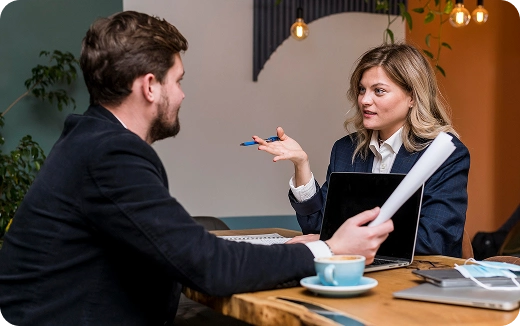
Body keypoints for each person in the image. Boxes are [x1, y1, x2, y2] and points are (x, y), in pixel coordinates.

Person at [0, 11, 394, 326]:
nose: (183, 94)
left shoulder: (90, 140)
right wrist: (330, 249)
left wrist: (295, 248)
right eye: (179, 80)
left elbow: (185, 248)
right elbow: (208, 267)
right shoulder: (111, 155)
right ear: (150, 86)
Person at [254, 43, 470, 258]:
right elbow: (317, 226)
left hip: (419, 280)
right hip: (360, 272)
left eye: (379, 91)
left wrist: (332, 241)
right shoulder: (346, 149)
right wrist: (301, 165)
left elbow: (434, 241)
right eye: (362, 90)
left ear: (412, 97)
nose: (365, 100)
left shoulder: (444, 153)